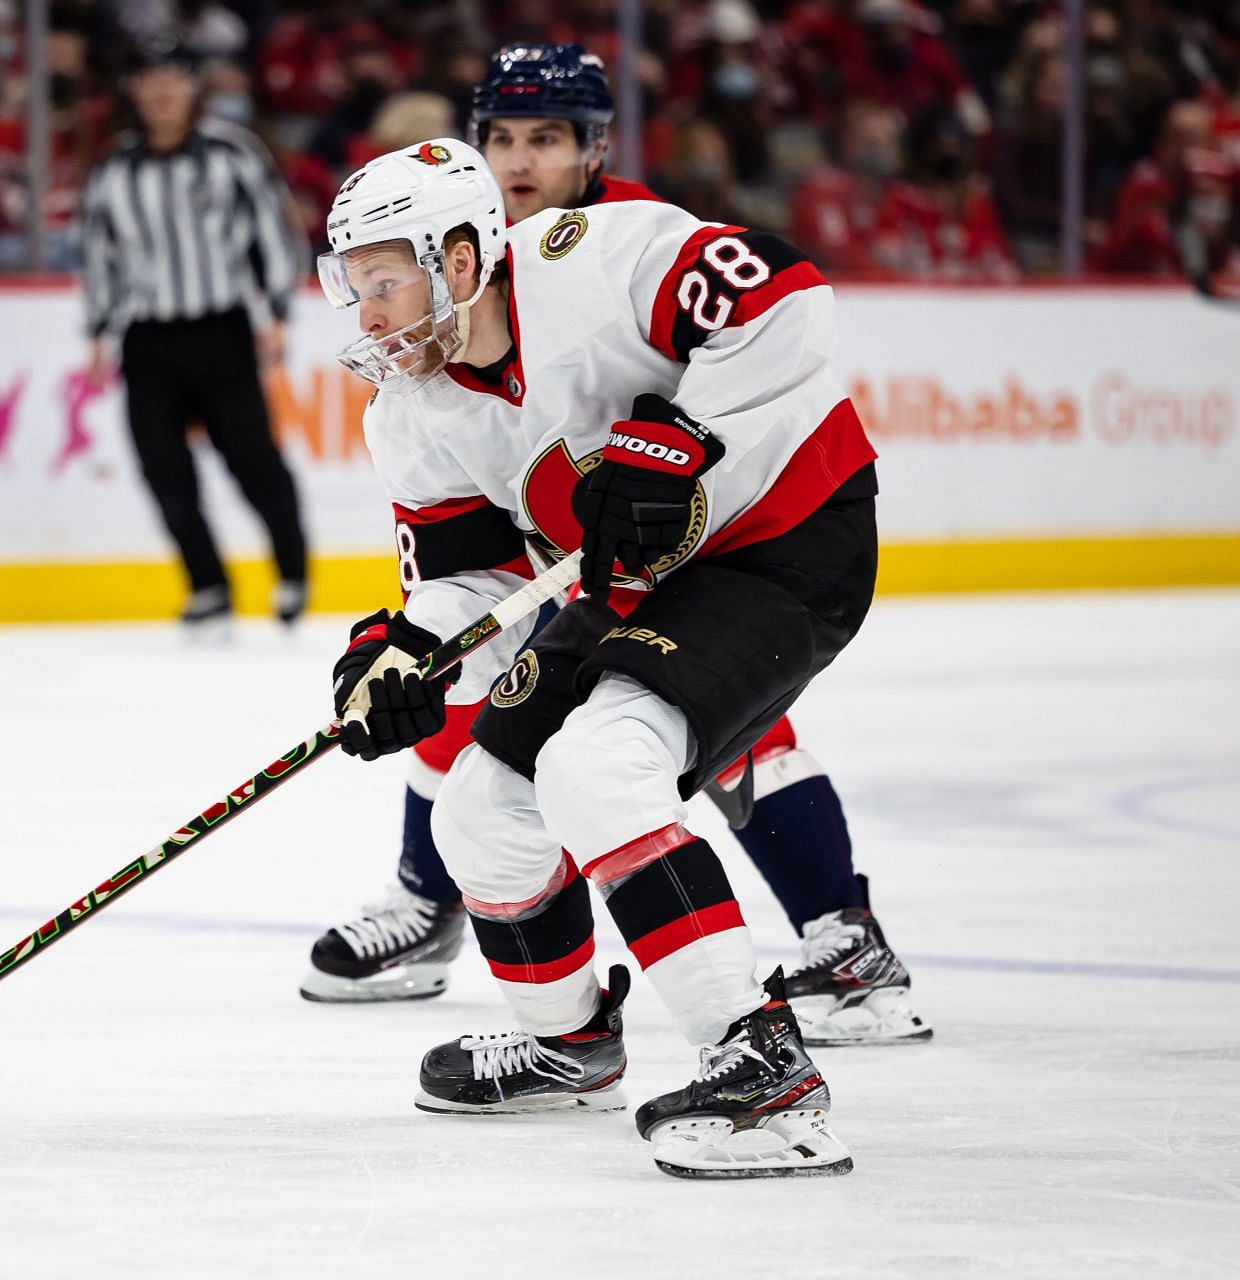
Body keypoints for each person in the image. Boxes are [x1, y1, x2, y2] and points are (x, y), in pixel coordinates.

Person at [301, 45, 929, 1057]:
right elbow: (480, 579)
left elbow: (786, 293)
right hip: (640, 583)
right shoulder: (409, 414)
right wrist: (409, 647)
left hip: (779, 538)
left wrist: (688, 438)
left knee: (601, 764)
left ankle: (759, 1063)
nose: (364, 317)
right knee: (482, 802)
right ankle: (571, 1042)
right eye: (352, 287)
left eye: (382, 283)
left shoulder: (593, 258)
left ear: (459, 260)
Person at [78, 39, 309, 629]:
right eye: (149, 77)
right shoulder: (113, 170)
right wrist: (100, 330)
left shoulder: (232, 156)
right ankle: (207, 584)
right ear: (132, 90)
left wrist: (278, 312)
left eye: (174, 77)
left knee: (252, 460)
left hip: (222, 330)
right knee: (162, 467)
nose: (161, 90)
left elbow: (273, 233)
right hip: (148, 338)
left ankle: (291, 571)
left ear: (193, 87)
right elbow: (101, 256)